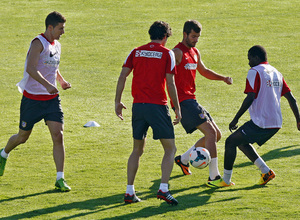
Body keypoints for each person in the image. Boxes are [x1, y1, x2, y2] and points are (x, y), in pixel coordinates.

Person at [207, 45, 300, 187]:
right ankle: (266, 171)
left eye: (249, 58)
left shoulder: (255, 71)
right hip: (275, 123)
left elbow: (250, 97)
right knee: (241, 141)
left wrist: (236, 118)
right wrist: (298, 120)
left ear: (256, 58)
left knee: (230, 142)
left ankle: (225, 180)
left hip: (261, 122)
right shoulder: (277, 73)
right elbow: (292, 99)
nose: (248, 62)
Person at [0, 11, 72, 192]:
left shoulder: (57, 45)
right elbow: (31, 69)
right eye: (60, 28)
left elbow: (53, 65)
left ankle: (60, 178)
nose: (63, 32)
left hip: (51, 100)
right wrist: (48, 85)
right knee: (22, 137)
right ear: (50, 27)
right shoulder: (37, 43)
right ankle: (3, 153)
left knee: (58, 135)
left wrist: (61, 80)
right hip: (32, 99)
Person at [115, 21, 181, 205]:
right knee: (170, 149)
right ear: (165, 37)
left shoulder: (136, 51)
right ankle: (163, 189)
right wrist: (177, 107)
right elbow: (170, 83)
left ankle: (129, 192)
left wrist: (117, 101)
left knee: (137, 149)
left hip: (138, 107)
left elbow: (122, 76)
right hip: (157, 107)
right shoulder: (167, 53)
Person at [172, 20, 232, 185]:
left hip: (192, 99)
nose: (196, 39)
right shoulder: (176, 52)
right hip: (183, 101)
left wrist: (223, 78)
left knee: (216, 135)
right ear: (185, 34)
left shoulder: (195, 52)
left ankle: (183, 160)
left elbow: (204, 71)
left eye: (197, 37)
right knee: (211, 134)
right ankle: (214, 176)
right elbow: (165, 75)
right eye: (193, 36)